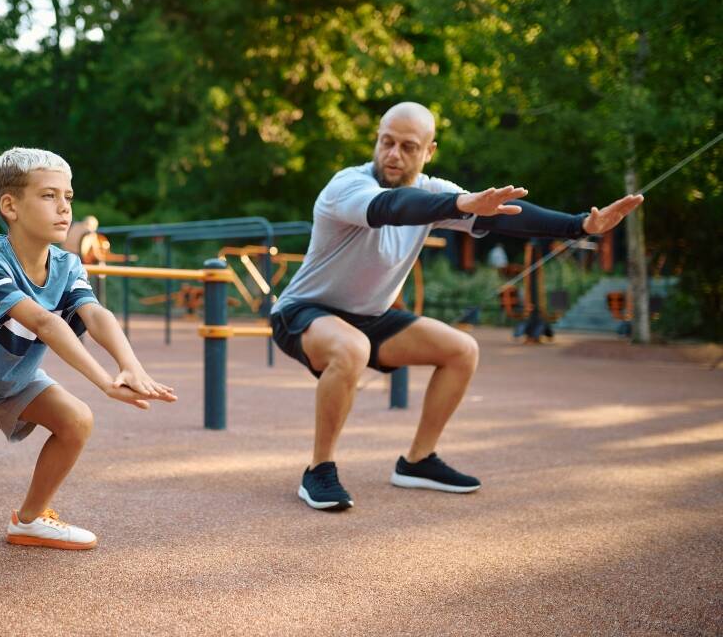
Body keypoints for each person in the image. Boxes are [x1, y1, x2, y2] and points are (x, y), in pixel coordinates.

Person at [271, 102, 643, 511]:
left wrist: (580, 225)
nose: (393, 154)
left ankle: (417, 461)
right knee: (352, 348)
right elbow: (391, 209)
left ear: (429, 151)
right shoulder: (348, 186)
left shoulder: (434, 192)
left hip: (367, 318)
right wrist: (459, 205)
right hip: (303, 312)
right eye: (386, 142)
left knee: (461, 350)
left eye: (408, 147)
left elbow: (501, 216)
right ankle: (319, 470)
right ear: (376, 140)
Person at [0, 147, 176, 577]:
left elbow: (95, 315)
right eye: (49, 195)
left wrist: (131, 364)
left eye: (68, 196)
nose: (65, 207)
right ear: (10, 206)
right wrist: (105, 381)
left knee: (77, 420)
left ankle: (30, 520)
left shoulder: (67, 264)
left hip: (13, 378)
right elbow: (44, 323)